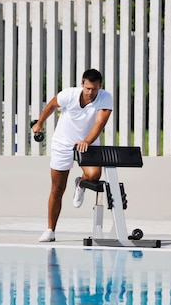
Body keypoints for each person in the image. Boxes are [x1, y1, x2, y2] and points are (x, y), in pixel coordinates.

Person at [32, 68, 113, 242]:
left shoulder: (105, 98)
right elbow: (52, 105)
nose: (91, 92)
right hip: (63, 143)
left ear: (100, 86)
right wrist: (39, 124)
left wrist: (87, 141)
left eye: (95, 89)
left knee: (94, 175)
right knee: (57, 188)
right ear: (82, 83)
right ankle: (50, 230)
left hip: (88, 143)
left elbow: (100, 123)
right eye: (88, 88)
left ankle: (80, 183)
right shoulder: (69, 94)